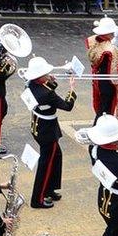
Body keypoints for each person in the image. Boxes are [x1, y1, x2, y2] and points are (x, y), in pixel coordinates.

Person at [24, 57, 76, 209]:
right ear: (40, 77)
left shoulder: (31, 84)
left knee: (57, 156)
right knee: (45, 165)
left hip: (39, 125)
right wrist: (72, 89)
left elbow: (49, 90)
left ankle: (49, 188)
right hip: (47, 131)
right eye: (46, 74)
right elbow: (67, 105)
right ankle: (37, 199)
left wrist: (50, 81)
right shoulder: (46, 93)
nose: (49, 75)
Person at [85, 17, 118, 120]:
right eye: (111, 33)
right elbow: (117, 65)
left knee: (101, 107)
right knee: (105, 110)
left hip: (98, 78)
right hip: (107, 83)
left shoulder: (94, 41)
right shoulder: (110, 49)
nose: (113, 35)